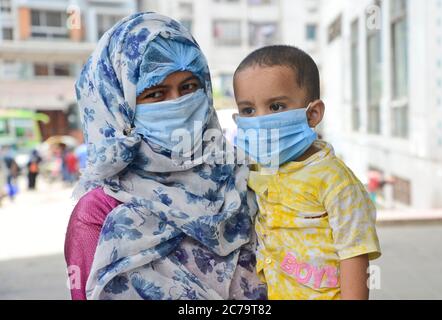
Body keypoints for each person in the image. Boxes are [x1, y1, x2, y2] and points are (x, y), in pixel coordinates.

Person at [64, 12, 266, 300]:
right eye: (156, 94)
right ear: (119, 106)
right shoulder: (98, 211)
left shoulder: (242, 176)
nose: (179, 103)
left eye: (188, 87)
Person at [233, 45, 381, 300]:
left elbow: (354, 255)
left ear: (313, 114)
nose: (259, 120)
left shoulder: (335, 181)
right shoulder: (258, 169)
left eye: (276, 107)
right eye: (248, 110)